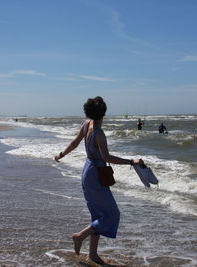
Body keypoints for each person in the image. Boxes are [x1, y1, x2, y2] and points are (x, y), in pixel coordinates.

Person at [54, 96, 143, 264]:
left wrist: (61, 155)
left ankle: (93, 255)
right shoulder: (99, 134)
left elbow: (74, 143)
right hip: (96, 174)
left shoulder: (86, 124)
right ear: (104, 113)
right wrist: (131, 161)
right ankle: (80, 236)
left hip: (87, 171)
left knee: (98, 214)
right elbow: (107, 156)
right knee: (112, 215)